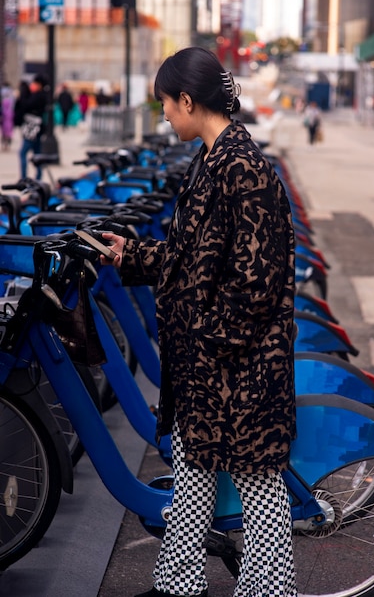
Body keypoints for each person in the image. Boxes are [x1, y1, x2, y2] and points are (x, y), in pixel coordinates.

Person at [101, 46, 297, 597]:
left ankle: (268, 593)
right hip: (208, 372)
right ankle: (178, 587)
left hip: (241, 371)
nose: (164, 114)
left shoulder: (244, 170)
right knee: (191, 476)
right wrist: (131, 254)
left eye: (166, 102)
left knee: (259, 492)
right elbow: (191, 260)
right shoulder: (210, 159)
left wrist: (204, 339)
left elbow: (257, 288)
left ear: (187, 100)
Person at [16, 74, 48, 180]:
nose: (32, 85)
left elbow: (26, 105)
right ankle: (38, 177)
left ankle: (24, 177)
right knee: (37, 154)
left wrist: (23, 94)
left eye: (34, 84)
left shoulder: (38, 96)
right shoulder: (40, 95)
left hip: (32, 129)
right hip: (36, 129)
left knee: (23, 153)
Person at [1, 83, 15, 151]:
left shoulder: (5, 99)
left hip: (6, 118)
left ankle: (6, 145)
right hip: (8, 118)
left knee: (5, 133)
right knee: (7, 133)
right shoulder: (11, 99)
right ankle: (6, 145)